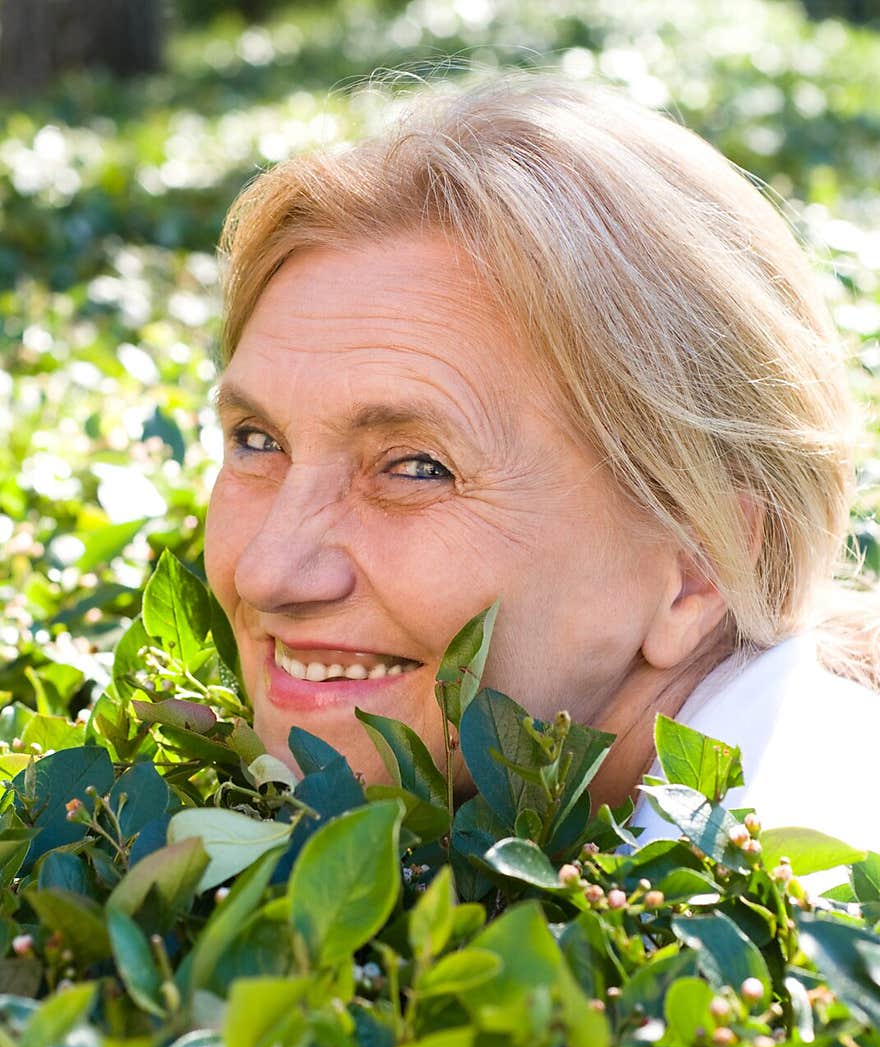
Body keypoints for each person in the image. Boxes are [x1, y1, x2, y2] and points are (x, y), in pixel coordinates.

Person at [204, 71, 880, 858]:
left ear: (699, 564)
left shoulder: (802, 888)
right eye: (258, 441)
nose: (267, 573)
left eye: (416, 467)